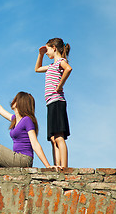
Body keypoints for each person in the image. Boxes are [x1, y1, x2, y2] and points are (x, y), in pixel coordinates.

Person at [35, 37, 72, 168]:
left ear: (54, 48)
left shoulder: (60, 61)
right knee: (53, 138)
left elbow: (68, 69)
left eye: (47, 50)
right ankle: (57, 165)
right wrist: (40, 54)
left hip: (57, 101)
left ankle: (64, 167)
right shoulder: (51, 66)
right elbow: (37, 69)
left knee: (59, 136)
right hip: (50, 103)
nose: (46, 53)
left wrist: (60, 85)